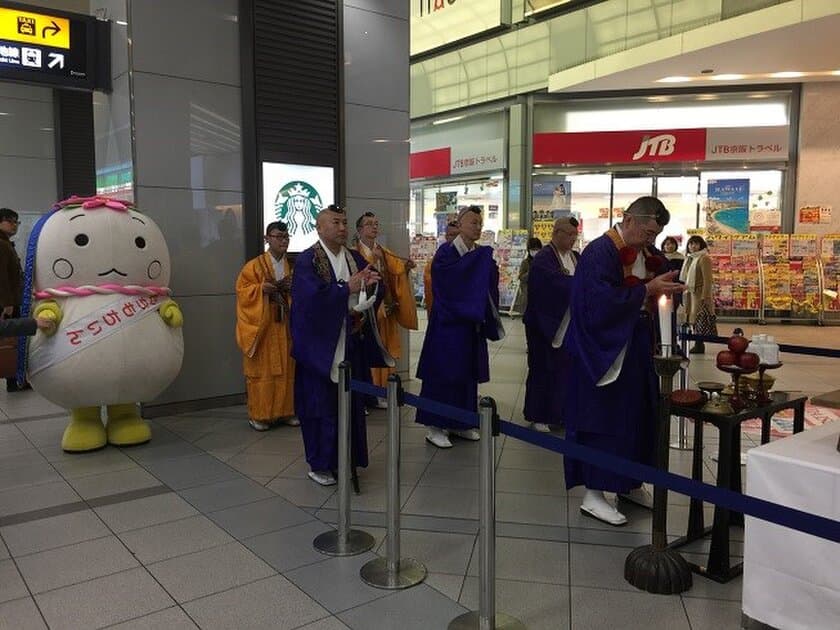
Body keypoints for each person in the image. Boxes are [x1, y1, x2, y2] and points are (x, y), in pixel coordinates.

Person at [563, 196, 684, 526]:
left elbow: (658, 287)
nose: (651, 240)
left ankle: (630, 482)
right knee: (603, 421)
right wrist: (645, 291)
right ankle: (594, 493)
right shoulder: (600, 252)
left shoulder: (649, 254)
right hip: (601, 353)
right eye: (646, 232)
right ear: (628, 220)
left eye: (655, 235)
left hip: (635, 349)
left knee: (638, 417)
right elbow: (597, 303)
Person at [290, 205, 392, 486]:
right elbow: (309, 302)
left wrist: (371, 285)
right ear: (319, 227)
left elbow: (375, 288)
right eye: (335, 222)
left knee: (351, 406)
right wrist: (347, 288)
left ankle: (347, 459)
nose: (342, 227)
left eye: (345, 222)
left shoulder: (354, 257)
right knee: (320, 407)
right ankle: (320, 464)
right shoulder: (307, 260)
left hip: (350, 341)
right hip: (320, 351)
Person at [415, 205, 505, 449]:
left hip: (471, 324)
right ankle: (435, 426)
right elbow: (449, 285)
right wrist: (477, 270)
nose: (477, 227)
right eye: (473, 222)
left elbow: (487, 284)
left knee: (466, 375)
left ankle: (461, 422)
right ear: (460, 224)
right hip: (448, 324)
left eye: (480, 222)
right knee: (443, 374)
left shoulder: (480, 253)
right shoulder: (445, 254)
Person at [235, 221, 298, 431]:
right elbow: (242, 292)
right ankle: (260, 415)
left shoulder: (292, 266)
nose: (283, 240)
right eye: (278, 236)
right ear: (267, 239)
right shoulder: (254, 266)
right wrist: (261, 289)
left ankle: (285, 412)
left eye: (286, 236)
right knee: (263, 372)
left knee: (288, 370)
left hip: (285, 325)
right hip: (263, 327)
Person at [354, 211, 418, 408]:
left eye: (376, 223)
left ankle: (381, 392)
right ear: (359, 230)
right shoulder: (353, 253)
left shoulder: (383, 251)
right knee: (365, 350)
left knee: (384, 348)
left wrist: (405, 268)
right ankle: (364, 397)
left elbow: (395, 271)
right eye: (369, 224)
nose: (374, 227)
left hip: (386, 306)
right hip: (366, 309)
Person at [522, 219, 579, 433]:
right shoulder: (544, 258)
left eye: (575, 235)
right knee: (542, 369)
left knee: (564, 371)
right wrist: (577, 284)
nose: (573, 239)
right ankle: (539, 414)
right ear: (557, 233)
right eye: (570, 235)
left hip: (568, 324)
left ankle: (560, 414)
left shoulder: (575, 257)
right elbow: (549, 286)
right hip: (544, 324)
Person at [0, 208, 28, 392]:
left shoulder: (6, 243)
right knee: (11, 340)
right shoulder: (1, 245)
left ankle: (15, 379)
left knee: (13, 339)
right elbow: (1, 277)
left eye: (16, 222)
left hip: (11, 301)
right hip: (7, 304)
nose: (15, 225)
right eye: (11, 221)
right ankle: (13, 380)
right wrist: (7, 303)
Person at [680, 235, 716, 354]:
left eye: (696, 244)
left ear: (701, 245)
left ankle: (699, 344)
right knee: (693, 319)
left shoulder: (704, 258)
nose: (692, 246)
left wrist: (705, 297)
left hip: (699, 293)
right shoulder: (690, 259)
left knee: (700, 319)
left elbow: (708, 280)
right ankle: (697, 342)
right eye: (690, 244)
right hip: (691, 292)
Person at [424, 220, 459, 313]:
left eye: (457, 235)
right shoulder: (441, 254)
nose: (455, 238)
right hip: (442, 306)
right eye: (451, 235)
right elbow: (430, 280)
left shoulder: (469, 254)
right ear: (446, 236)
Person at [516, 237, 543, 315]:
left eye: (537, 249)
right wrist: (531, 271)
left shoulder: (544, 262)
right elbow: (521, 277)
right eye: (533, 249)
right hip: (528, 298)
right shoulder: (525, 262)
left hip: (540, 297)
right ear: (529, 250)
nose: (535, 251)